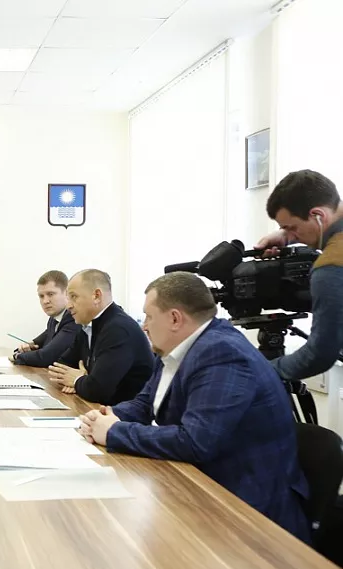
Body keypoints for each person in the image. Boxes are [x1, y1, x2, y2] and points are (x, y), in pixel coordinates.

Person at [79, 273, 310, 542]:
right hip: (202, 488)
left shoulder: (222, 353)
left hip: (249, 514)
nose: (144, 326)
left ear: (175, 319)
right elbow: (145, 402)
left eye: (149, 317)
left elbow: (195, 441)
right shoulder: (175, 348)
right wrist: (107, 416)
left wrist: (114, 432)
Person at [255, 169, 343, 382]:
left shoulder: (331, 266)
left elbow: (319, 355)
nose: (291, 234)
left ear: (318, 215)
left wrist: (259, 373)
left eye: (293, 227)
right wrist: (287, 234)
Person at [48, 269, 153, 405]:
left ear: (97, 296)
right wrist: (83, 380)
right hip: (102, 409)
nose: (68, 306)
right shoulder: (88, 325)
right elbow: (62, 365)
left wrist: (78, 380)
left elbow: (97, 390)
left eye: (74, 297)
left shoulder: (118, 329)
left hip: (124, 414)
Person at [12, 270, 79, 368]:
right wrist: (28, 348)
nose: (45, 301)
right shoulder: (54, 319)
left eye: (50, 294)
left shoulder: (73, 318)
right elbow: (40, 344)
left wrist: (17, 356)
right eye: (41, 296)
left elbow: (45, 357)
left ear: (66, 293)